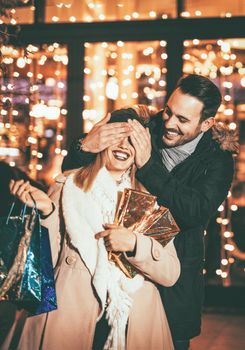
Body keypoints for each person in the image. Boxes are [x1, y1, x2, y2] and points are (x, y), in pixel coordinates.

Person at [62, 74, 238, 350]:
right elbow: (80, 171)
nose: (169, 123)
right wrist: (83, 146)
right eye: (168, 111)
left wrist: (148, 166)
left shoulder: (218, 160)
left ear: (206, 123)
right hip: (116, 283)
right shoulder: (144, 126)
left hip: (173, 287)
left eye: (182, 120)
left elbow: (195, 211)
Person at [4, 108, 180, 350]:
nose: (123, 146)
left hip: (133, 322)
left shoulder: (148, 199)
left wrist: (135, 244)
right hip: (71, 314)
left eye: (132, 140)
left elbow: (170, 274)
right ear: (101, 140)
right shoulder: (68, 186)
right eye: (116, 136)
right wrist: (47, 212)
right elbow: (46, 264)